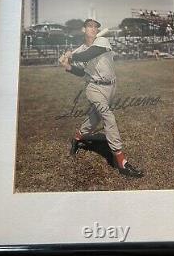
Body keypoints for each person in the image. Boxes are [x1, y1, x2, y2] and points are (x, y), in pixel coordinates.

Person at [60, 19, 143, 178]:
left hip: (111, 86)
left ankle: (77, 138)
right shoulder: (82, 49)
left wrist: (72, 55)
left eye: (95, 27)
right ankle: (121, 161)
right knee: (107, 116)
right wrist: (68, 66)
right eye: (90, 26)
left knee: (94, 118)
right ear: (84, 29)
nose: (93, 29)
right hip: (93, 87)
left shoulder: (101, 41)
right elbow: (83, 73)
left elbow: (91, 53)